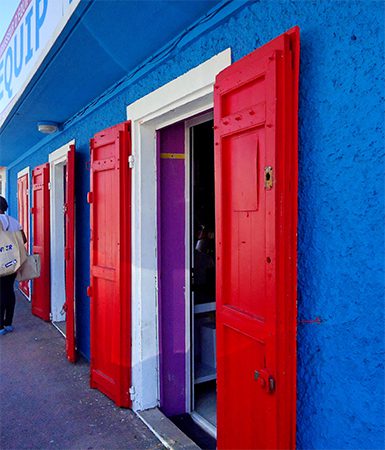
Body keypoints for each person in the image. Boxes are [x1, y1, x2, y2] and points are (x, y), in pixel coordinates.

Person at [0, 196, 26, 335]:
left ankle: (0, 326)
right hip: (12, 263)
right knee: (9, 291)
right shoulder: (13, 221)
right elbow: (24, 240)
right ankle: (8, 323)